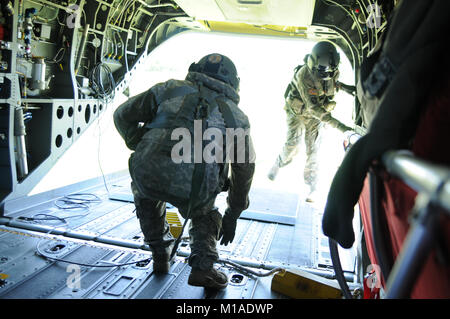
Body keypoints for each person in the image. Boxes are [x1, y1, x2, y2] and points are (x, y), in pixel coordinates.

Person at [113, 53, 255, 290]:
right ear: (234, 83)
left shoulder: (168, 89)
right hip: (194, 191)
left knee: (145, 192)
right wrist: (233, 213)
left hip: (148, 173)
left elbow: (122, 115)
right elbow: (244, 169)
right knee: (204, 213)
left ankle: (160, 252)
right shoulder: (237, 117)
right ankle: (203, 268)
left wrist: (136, 141)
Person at [267, 41, 355, 202]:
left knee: (313, 149)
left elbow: (333, 85)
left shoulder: (333, 72)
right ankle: (278, 163)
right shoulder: (304, 75)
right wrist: (343, 128)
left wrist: (350, 89)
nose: (326, 72)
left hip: (317, 116)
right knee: (292, 144)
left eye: (330, 69)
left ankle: (312, 187)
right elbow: (313, 107)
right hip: (298, 112)